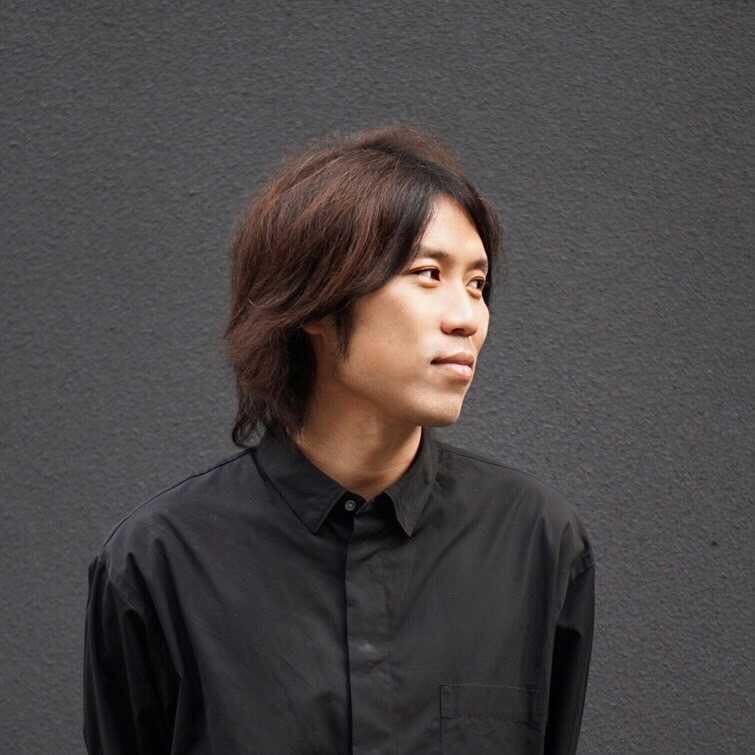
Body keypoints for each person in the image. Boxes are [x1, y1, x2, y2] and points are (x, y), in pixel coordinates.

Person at [82, 124, 595, 754]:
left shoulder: (536, 542)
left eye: (476, 284)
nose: (467, 318)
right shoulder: (157, 563)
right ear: (317, 302)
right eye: (428, 273)